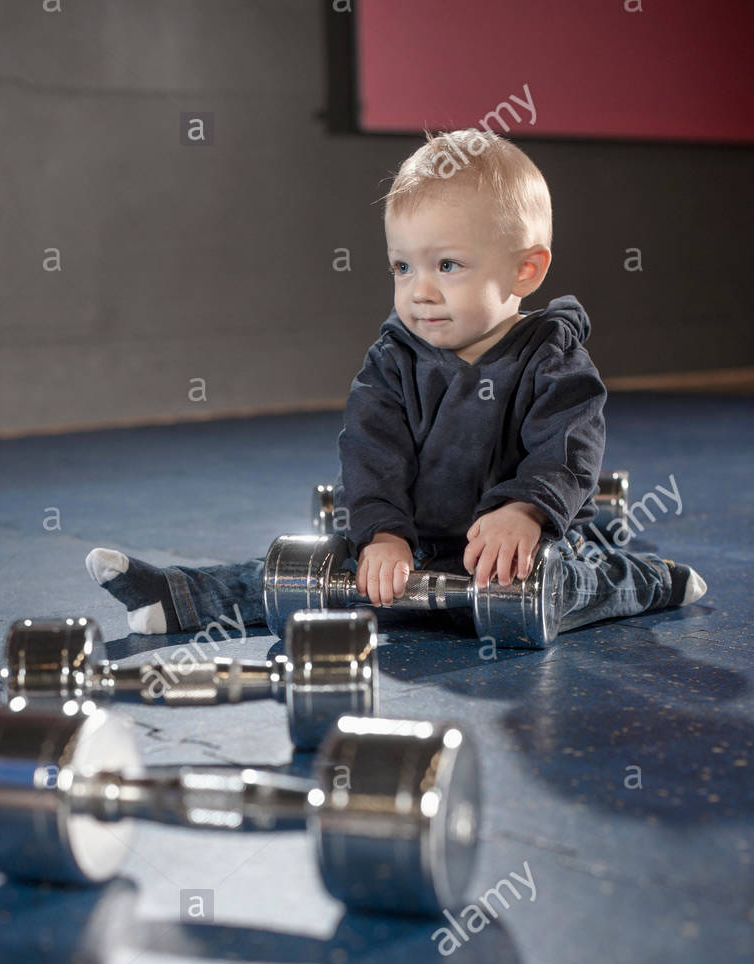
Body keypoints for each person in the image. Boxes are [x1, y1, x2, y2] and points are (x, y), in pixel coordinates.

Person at [85, 127, 706, 637]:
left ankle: (653, 579)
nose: (420, 290)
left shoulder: (552, 357)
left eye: (447, 265)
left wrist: (523, 512)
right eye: (402, 266)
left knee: (569, 582)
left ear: (525, 269)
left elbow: (568, 452)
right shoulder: (392, 360)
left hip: (513, 548)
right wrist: (381, 534)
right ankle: (179, 597)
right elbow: (369, 452)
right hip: (412, 538)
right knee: (298, 569)